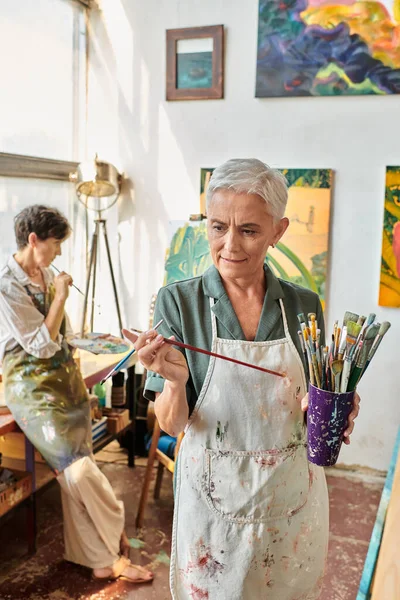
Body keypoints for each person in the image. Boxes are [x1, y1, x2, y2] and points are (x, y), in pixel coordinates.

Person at [124, 159, 360, 600]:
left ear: (279, 230)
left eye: (249, 230)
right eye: (217, 227)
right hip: (213, 505)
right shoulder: (179, 302)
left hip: (290, 498)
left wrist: (334, 408)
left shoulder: (303, 305)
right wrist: (174, 382)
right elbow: (174, 426)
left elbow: (312, 403)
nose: (229, 244)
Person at [0, 205, 153, 585]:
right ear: (33, 240)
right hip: (30, 386)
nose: (58, 253)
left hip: (63, 377)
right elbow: (38, 343)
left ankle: (99, 559)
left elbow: (58, 339)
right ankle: (113, 522)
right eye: (54, 244)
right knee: (78, 468)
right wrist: (60, 298)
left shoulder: (45, 272)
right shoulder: (6, 284)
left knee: (74, 469)